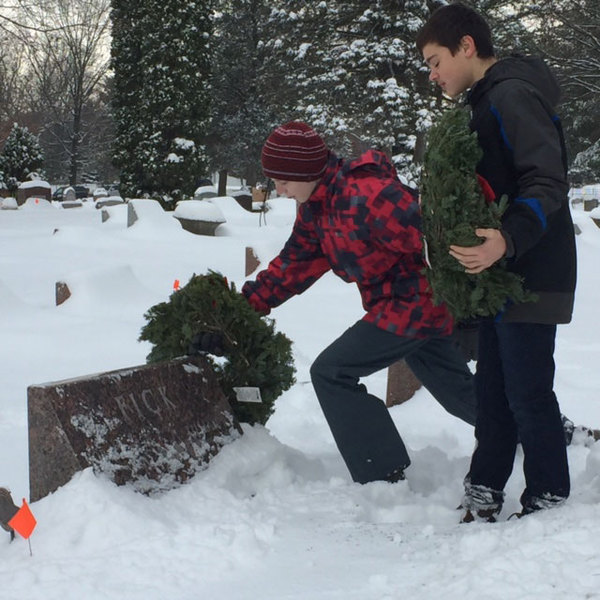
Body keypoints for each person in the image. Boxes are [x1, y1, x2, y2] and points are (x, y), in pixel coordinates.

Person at [241, 121, 480, 485]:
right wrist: (241, 311)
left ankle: (383, 475)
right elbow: (292, 266)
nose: (280, 189)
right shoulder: (317, 209)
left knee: (332, 372)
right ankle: (542, 429)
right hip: (403, 309)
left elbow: (440, 238)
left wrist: (471, 310)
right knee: (458, 393)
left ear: (306, 170)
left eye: (284, 179)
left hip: (416, 305)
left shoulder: (370, 196)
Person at [417, 2, 577, 520]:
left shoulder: (511, 96)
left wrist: (505, 241)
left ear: (467, 45)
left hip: (531, 270)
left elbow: (546, 179)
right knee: (493, 391)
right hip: (500, 274)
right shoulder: (483, 102)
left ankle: (549, 495)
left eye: (436, 60)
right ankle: (485, 486)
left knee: (527, 392)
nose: (433, 75)